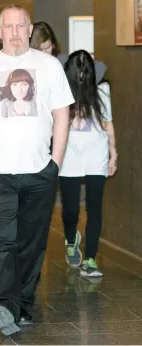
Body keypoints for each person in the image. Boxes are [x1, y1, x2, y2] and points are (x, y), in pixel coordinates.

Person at [0, 4, 74, 335]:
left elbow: (62, 113)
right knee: (4, 240)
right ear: (0, 31)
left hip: (39, 171)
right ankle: (4, 305)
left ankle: (22, 302)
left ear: (30, 29)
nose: (16, 32)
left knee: (32, 243)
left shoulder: (48, 65)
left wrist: (56, 162)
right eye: (9, 26)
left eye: (21, 26)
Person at [59, 50, 117, 277]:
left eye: (86, 70)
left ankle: (91, 258)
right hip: (69, 157)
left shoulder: (102, 90)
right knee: (71, 209)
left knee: (95, 207)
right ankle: (71, 239)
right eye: (78, 70)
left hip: (96, 154)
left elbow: (107, 122)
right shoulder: (62, 92)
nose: (82, 75)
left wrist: (113, 153)